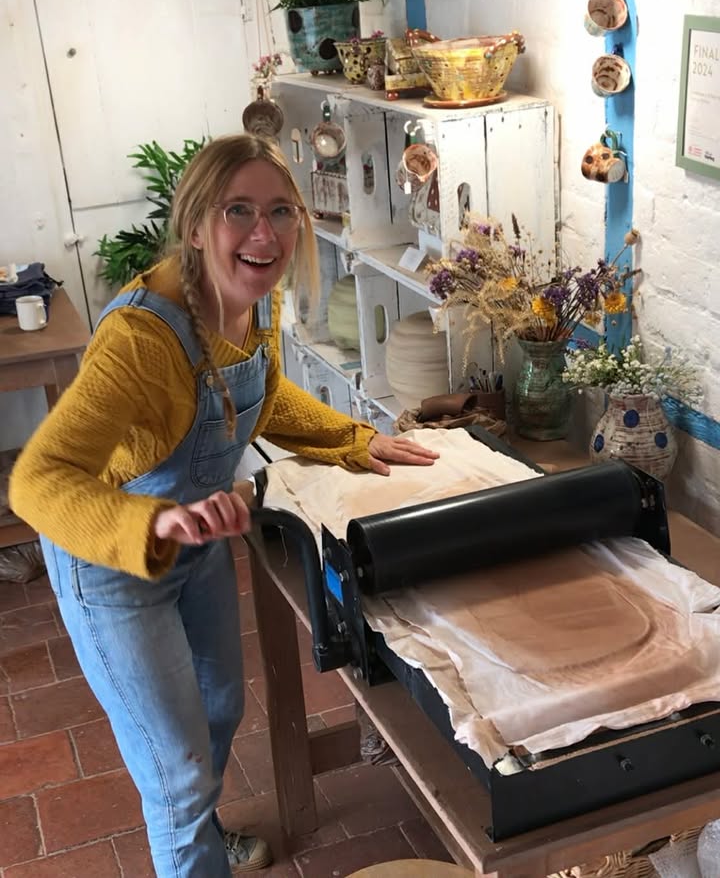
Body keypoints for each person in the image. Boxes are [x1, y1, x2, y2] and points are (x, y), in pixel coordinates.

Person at [9, 134, 439, 878]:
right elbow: (37, 481)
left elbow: (265, 395)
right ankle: (191, 841)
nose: (262, 233)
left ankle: (202, 836)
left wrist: (354, 439)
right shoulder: (141, 338)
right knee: (174, 777)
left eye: (280, 211)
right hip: (110, 561)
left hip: (195, 538)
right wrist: (151, 524)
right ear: (199, 223)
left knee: (216, 711)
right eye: (238, 210)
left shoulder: (254, 304)